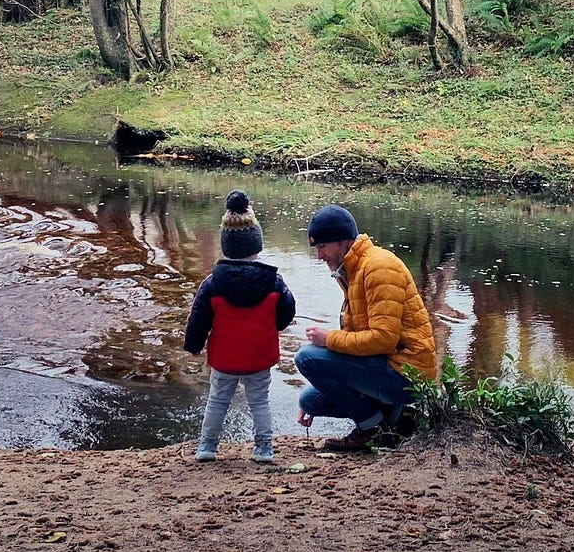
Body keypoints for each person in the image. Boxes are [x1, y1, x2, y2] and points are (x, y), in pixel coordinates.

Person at [294, 203, 438, 452]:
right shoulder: (351, 269)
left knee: (306, 358)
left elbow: (383, 340)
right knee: (310, 401)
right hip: (388, 364)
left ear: (342, 241)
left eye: (322, 247)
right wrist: (327, 372)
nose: (319, 256)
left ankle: (372, 428)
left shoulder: (379, 267)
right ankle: (396, 418)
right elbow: (361, 335)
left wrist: (328, 339)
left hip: (407, 374)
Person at [184, 190, 296, 464]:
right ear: (257, 245)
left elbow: (198, 317)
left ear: (226, 246)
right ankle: (264, 449)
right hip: (259, 355)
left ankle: (207, 447)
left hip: (225, 358)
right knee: (259, 401)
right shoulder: (273, 282)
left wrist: (194, 346)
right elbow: (288, 310)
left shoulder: (213, 284)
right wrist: (274, 327)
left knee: (217, 401)